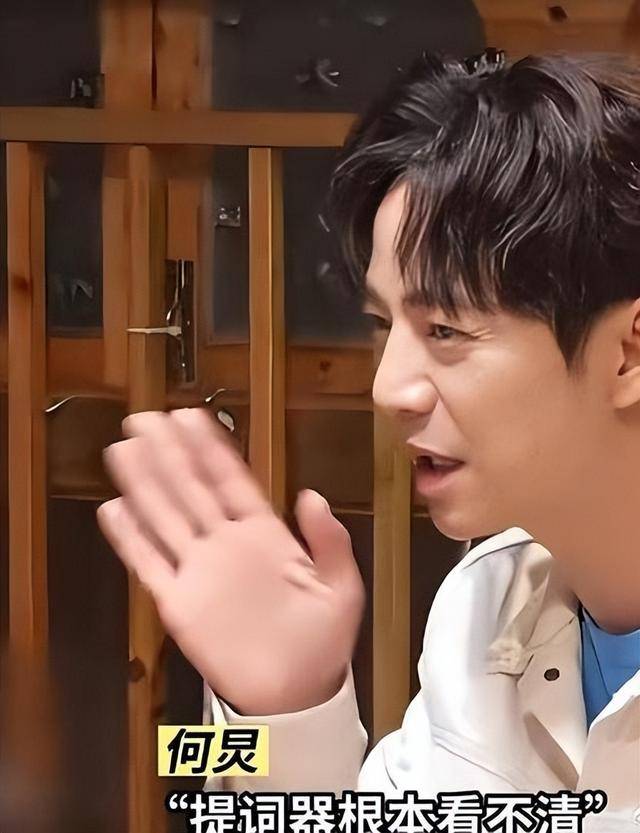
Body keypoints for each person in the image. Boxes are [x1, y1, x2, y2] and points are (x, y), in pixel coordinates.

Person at [97, 50, 640, 830]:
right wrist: (286, 706)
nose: (389, 387)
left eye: (445, 328)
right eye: (385, 325)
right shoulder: (485, 604)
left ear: (628, 351)